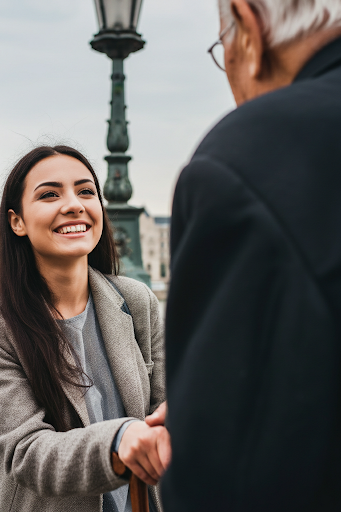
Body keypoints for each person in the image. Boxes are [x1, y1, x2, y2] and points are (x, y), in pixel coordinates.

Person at [155, 1, 341, 510]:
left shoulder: (245, 161)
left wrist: (213, 412)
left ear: (251, 27)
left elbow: (225, 483)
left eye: (224, 50)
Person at [0, 146, 170, 512]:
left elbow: (163, 405)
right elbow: (26, 452)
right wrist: (118, 440)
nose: (74, 204)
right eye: (50, 194)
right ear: (16, 222)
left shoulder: (137, 302)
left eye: (86, 191)